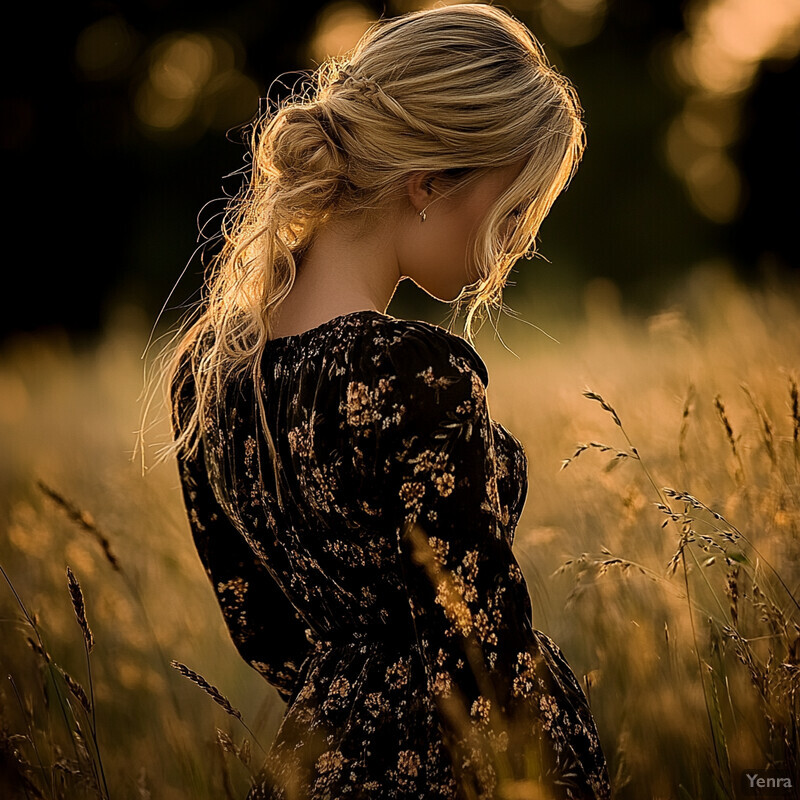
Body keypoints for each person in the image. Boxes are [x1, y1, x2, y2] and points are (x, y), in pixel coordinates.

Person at [166, 3, 611, 798]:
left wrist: (354, 710)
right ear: (432, 182)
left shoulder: (209, 370)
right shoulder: (414, 371)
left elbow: (261, 628)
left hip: (322, 765)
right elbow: (480, 658)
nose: (510, 250)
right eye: (512, 213)